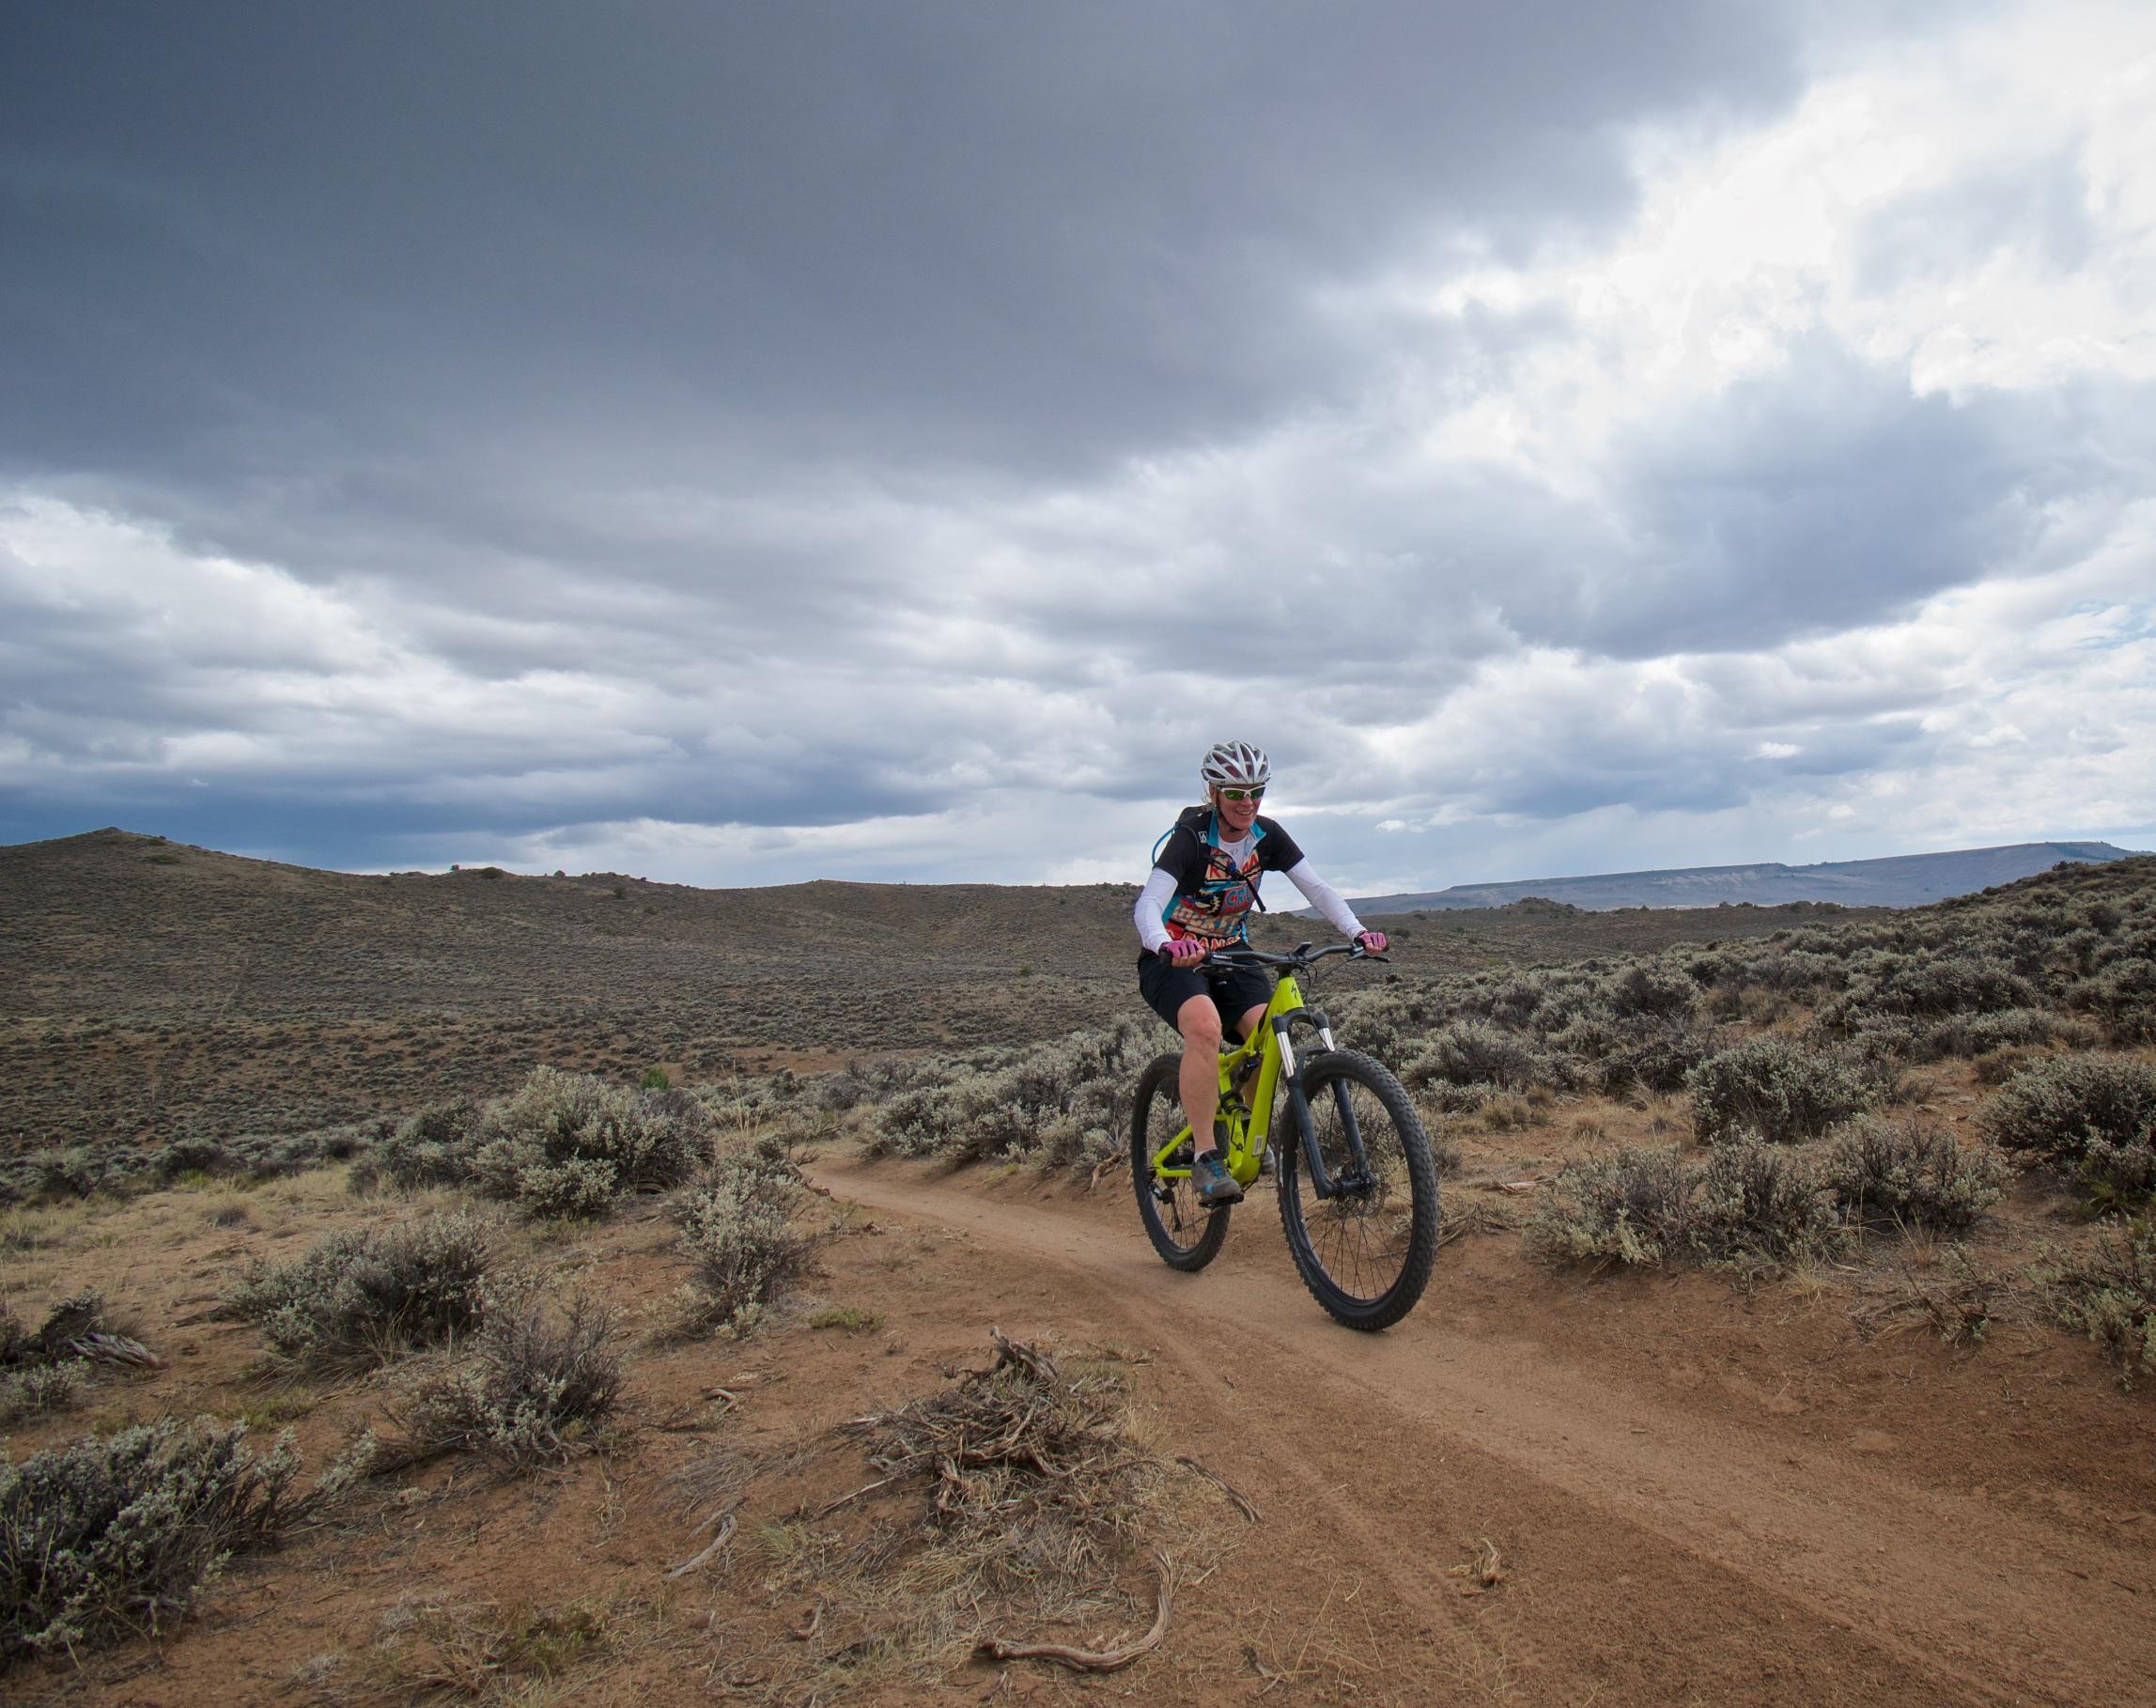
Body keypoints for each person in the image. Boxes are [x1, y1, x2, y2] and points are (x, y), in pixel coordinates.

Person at [1134, 739, 1387, 1206]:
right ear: (1214, 793)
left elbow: (1317, 888)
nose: (1247, 802)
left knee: (1270, 1032)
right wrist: (1167, 944)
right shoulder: (1191, 837)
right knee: (1205, 1028)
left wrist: (1358, 931)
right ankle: (1207, 1155)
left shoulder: (1267, 836)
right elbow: (1148, 904)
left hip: (1232, 953)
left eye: (1256, 792)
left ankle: (1249, 1133)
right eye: (1234, 793)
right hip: (1175, 958)